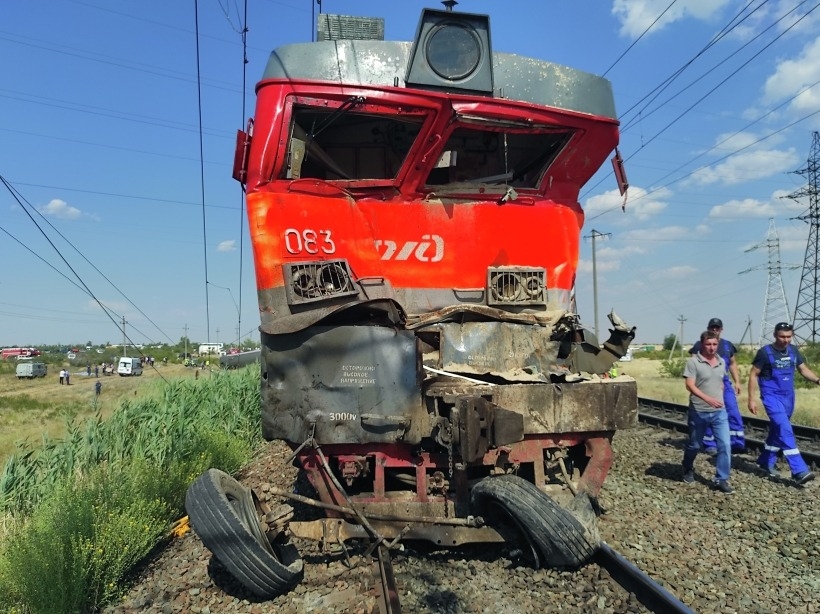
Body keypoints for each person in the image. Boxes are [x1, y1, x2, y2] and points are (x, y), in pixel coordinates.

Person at [748, 322, 817, 485]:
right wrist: (751, 398)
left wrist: (817, 379)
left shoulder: (793, 350)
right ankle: (799, 470)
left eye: (788, 336)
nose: (785, 340)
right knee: (785, 430)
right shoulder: (764, 353)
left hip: (788, 397)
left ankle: (765, 461)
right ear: (775, 335)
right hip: (771, 396)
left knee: (777, 430)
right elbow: (753, 375)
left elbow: (803, 369)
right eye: (782, 336)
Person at [682, 330, 734, 494]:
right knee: (695, 445)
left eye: (714, 344)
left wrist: (720, 395)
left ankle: (721, 479)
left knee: (725, 444)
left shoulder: (721, 362)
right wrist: (708, 399)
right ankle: (687, 466)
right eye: (708, 344)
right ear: (702, 344)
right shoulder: (693, 362)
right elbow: (690, 385)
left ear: (718, 344)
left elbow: (720, 381)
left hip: (719, 412)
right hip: (699, 410)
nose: (711, 348)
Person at [689, 318, 745, 453]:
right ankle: (710, 444)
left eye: (717, 328)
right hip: (707, 383)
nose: (715, 330)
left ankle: (736, 442)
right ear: (708, 328)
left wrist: (737, 381)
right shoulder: (699, 345)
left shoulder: (727, 345)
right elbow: (693, 364)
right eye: (712, 328)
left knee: (732, 411)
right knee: (709, 413)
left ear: (721, 330)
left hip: (724, 382)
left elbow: (732, 364)